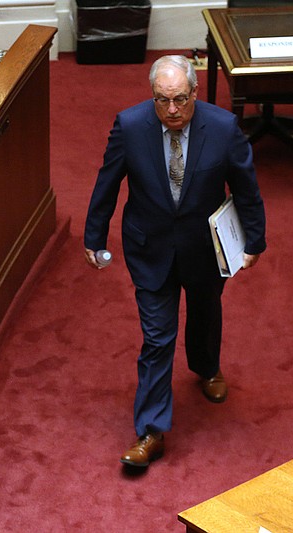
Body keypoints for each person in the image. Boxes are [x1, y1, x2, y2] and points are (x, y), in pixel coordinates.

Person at [84, 55, 266, 468]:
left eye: (180, 100)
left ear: (195, 93)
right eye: (162, 100)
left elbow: (246, 187)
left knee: (205, 311)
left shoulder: (221, 127)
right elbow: (107, 182)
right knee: (157, 338)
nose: (171, 110)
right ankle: (150, 431)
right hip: (150, 249)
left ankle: (206, 367)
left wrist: (255, 239)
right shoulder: (130, 127)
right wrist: (94, 235)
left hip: (206, 249)